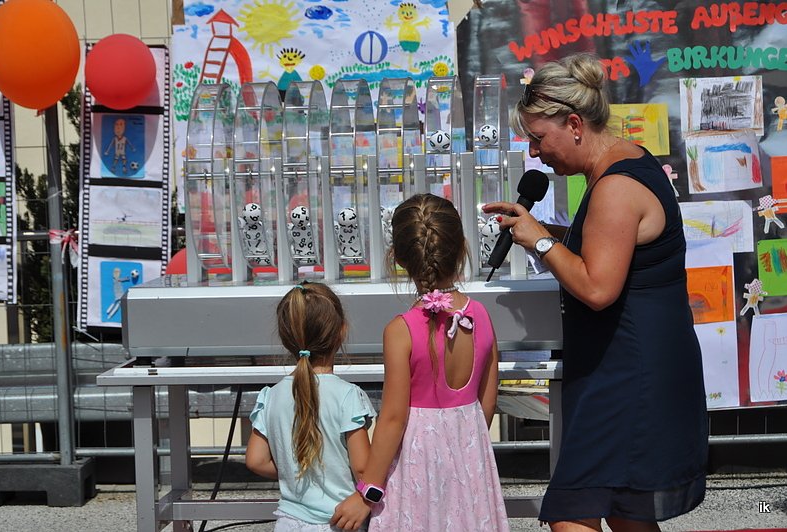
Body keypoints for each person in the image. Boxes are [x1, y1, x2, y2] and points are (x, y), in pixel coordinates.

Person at [483, 53, 707, 531]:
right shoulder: (625, 162)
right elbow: (608, 250)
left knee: (573, 512)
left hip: (631, 373)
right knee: (626, 515)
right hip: (629, 365)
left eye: (540, 139)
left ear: (575, 123)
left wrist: (540, 241)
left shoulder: (615, 187)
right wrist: (544, 231)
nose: (537, 154)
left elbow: (598, 287)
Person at [331, 193, 509, 531]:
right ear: (462, 248)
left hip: (415, 467)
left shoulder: (400, 331)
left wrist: (368, 491)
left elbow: (394, 418)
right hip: (469, 467)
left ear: (397, 257)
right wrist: (461, 447)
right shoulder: (480, 316)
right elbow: (485, 403)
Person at [245, 281, 376, 531]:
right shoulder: (348, 396)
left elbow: (256, 460)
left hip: (288, 522)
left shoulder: (270, 396)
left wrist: (298, 472)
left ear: (287, 339)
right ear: (342, 332)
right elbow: (361, 467)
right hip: (340, 521)